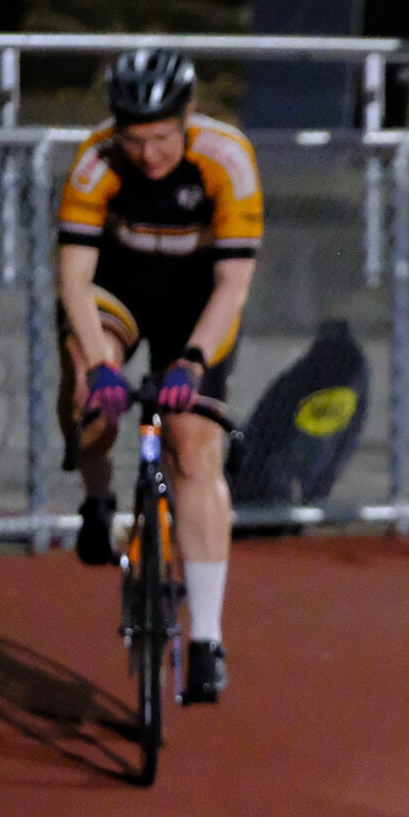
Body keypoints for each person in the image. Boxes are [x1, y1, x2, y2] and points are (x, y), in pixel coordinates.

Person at [56, 48, 260, 706]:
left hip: (195, 301)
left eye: (163, 139)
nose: (149, 155)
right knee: (89, 391)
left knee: (193, 448)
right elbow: (74, 280)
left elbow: (232, 286)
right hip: (118, 288)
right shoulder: (95, 161)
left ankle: (207, 638)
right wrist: (100, 365)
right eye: (135, 140)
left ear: (189, 116)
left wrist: (192, 360)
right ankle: (97, 498)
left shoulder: (227, 158)